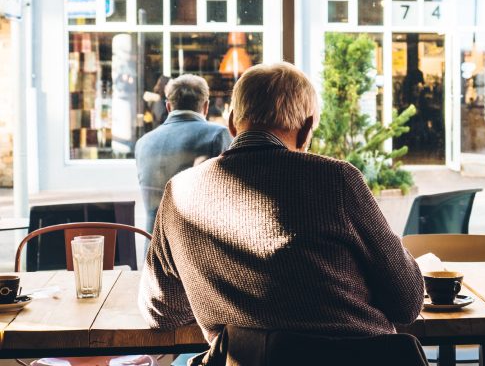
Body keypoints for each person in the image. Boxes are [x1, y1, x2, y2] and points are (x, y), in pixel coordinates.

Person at [138, 63, 424, 355]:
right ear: (306, 130)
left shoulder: (179, 192)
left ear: (233, 122)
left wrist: (219, 293)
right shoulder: (337, 180)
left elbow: (161, 311)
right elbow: (407, 302)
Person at [135, 74, 232, 236]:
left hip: (153, 249)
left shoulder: (143, 142)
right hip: (197, 249)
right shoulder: (217, 135)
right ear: (206, 106)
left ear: (168, 107)